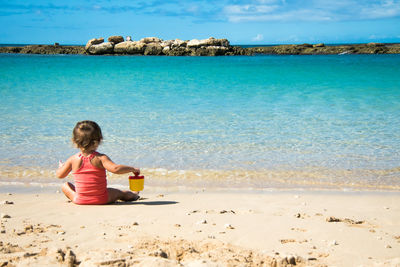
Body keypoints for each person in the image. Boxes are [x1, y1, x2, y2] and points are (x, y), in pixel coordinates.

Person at [56, 120, 140, 205]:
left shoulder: (73, 159)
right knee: (119, 193)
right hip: (101, 198)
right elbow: (116, 169)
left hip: (80, 200)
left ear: (74, 140)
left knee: (65, 185)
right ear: (99, 140)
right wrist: (132, 169)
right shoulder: (101, 158)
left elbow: (60, 175)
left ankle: (82, 196)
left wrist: (61, 167)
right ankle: (134, 195)